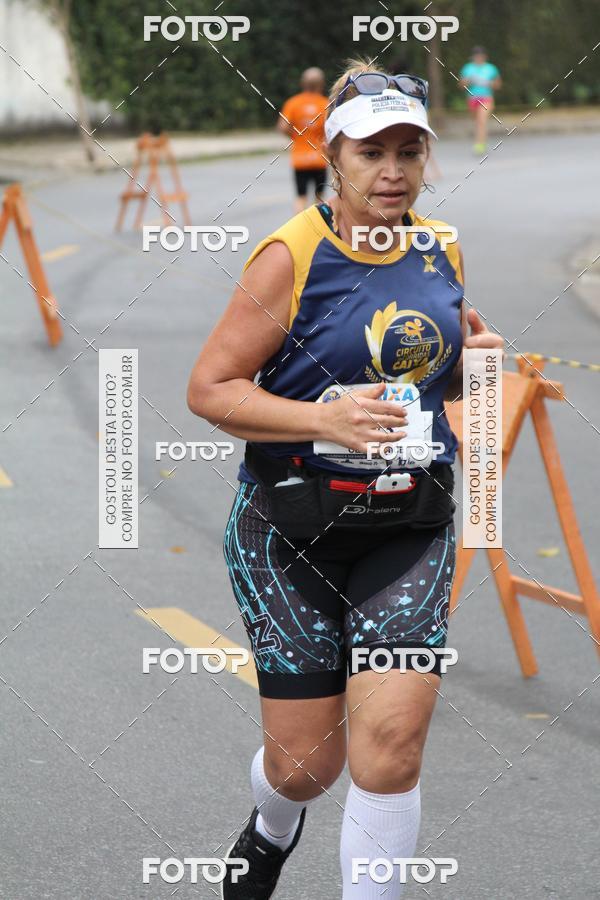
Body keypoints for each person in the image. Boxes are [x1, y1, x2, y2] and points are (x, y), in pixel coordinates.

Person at [187, 58, 504, 899]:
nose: (393, 172)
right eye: (372, 153)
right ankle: (272, 824)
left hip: (408, 527)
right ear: (332, 156)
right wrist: (322, 418)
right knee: (304, 768)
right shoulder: (290, 255)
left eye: (410, 151)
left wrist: (476, 370)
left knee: (390, 749)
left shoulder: (443, 247)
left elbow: (444, 388)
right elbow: (209, 390)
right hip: (291, 533)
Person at [277, 67, 330, 213]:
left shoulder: (293, 103)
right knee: (319, 198)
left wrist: (295, 136)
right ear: (321, 84)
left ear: (303, 83)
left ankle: (299, 231)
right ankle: (320, 229)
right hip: (319, 158)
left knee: (301, 197)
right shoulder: (325, 104)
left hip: (300, 159)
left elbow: (282, 126)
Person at [459, 46, 502, 154]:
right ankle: (480, 139)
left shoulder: (491, 68)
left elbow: (498, 85)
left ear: (484, 57)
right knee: (477, 121)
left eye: (480, 56)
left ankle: (480, 144)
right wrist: (469, 80)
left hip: (486, 98)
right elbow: (461, 85)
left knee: (481, 121)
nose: (478, 58)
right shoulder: (467, 68)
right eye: (476, 57)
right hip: (472, 98)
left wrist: (488, 83)